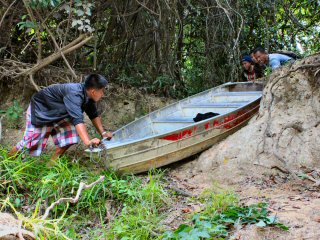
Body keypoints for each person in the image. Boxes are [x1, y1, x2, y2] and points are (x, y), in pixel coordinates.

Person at [10, 74, 113, 165]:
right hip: (41, 111)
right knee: (29, 143)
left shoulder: (88, 96)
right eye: (102, 91)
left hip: (57, 114)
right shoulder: (74, 94)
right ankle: (6, 163)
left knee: (69, 139)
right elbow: (77, 120)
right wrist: (88, 142)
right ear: (94, 91)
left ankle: (50, 166)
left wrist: (103, 133)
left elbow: (93, 115)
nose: (103, 94)